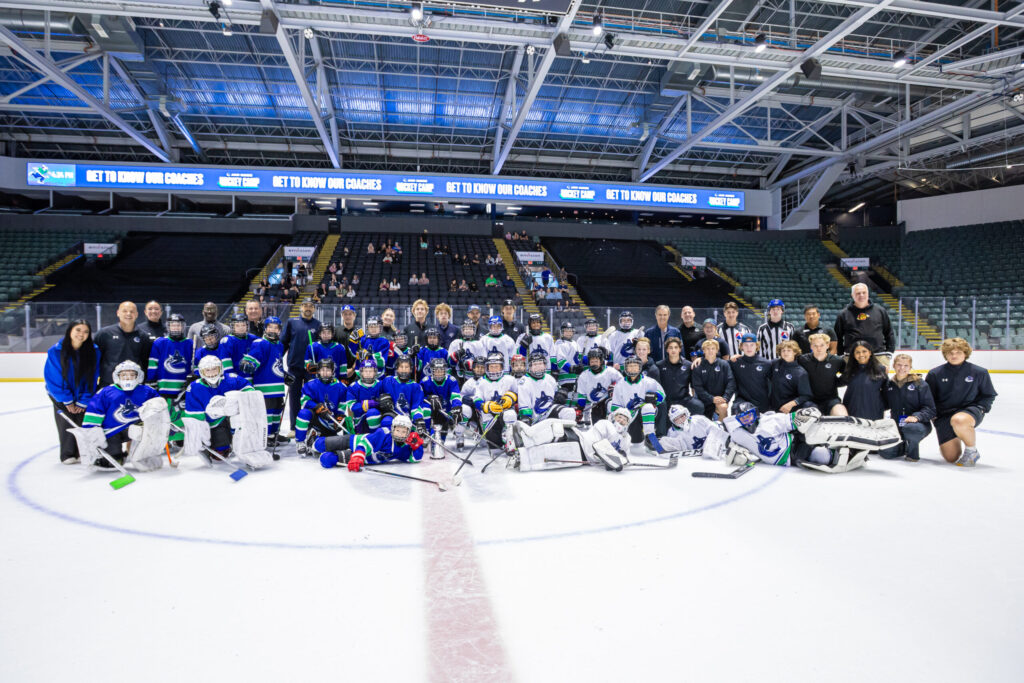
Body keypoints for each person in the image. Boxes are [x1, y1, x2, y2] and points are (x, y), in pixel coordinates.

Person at [718, 403, 897, 473]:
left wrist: (804, 416)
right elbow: (726, 436)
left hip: (795, 447)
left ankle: (852, 448)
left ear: (756, 413)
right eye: (743, 418)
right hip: (789, 460)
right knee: (823, 456)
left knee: (822, 455)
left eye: (749, 415)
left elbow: (797, 420)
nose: (747, 420)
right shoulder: (737, 433)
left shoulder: (771, 420)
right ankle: (845, 452)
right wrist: (736, 452)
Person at [182, 355, 273, 469]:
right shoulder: (194, 388)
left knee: (247, 424)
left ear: (220, 369)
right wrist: (201, 437)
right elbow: (194, 416)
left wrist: (236, 400)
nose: (211, 373)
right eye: (207, 370)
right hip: (213, 423)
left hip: (235, 419)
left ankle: (250, 447)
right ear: (201, 372)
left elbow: (249, 389)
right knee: (220, 453)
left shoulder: (231, 379)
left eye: (214, 369)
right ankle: (220, 447)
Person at [76, 360, 166, 471]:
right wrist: (92, 431)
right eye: (124, 375)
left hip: (138, 428)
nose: (128, 378)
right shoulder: (106, 392)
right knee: (112, 459)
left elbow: (158, 409)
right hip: (112, 431)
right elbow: (94, 412)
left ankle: (142, 457)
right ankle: (117, 456)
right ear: (117, 376)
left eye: (132, 375)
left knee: (142, 439)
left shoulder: (147, 391)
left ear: (138, 376)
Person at [925, 337, 998, 466]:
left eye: (958, 352)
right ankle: (957, 432)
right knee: (951, 457)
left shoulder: (979, 372)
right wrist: (935, 417)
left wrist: (981, 408)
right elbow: (929, 399)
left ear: (965, 353)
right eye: (950, 353)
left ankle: (971, 451)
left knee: (959, 420)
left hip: (969, 411)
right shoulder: (935, 374)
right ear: (945, 354)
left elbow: (989, 395)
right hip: (944, 415)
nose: (954, 355)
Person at [505, 408, 634, 473]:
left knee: (548, 453)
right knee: (554, 429)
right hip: (579, 440)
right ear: (613, 417)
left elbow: (624, 456)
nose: (621, 420)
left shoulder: (627, 438)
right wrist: (616, 457)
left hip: (584, 457)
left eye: (625, 419)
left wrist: (621, 458)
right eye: (619, 417)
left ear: (628, 423)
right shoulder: (605, 423)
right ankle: (524, 438)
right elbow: (606, 444)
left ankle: (521, 457)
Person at [44, 319, 100, 463]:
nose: (81, 334)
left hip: (83, 396)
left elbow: (92, 377)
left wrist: (84, 400)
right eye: (78, 330)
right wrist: (66, 399)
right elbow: (53, 378)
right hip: (61, 396)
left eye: (86, 331)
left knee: (83, 422)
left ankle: (83, 452)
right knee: (66, 424)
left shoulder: (94, 351)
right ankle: (67, 454)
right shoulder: (56, 351)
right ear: (70, 331)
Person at [239, 317, 289, 447]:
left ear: (279, 330)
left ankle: (274, 434)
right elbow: (255, 357)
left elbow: (276, 363)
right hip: (264, 387)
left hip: (277, 386)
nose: (272, 329)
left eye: (276, 327)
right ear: (265, 328)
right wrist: (248, 363)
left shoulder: (279, 345)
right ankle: (264, 436)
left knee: (277, 411)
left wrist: (284, 375)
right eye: (270, 327)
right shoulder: (260, 342)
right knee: (268, 412)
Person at [314, 414, 425, 472]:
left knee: (326, 460)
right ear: (392, 428)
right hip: (354, 442)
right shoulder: (383, 433)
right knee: (319, 444)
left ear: (409, 432)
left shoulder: (404, 447)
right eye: (397, 430)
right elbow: (364, 444)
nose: (400, 434)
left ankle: (329, 454)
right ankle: (310, 445)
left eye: (403, 431)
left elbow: (415, 459)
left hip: (362, 459)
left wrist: (417, 446)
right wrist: (358, 457)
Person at [146, 313, 193, 447]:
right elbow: (153, 362)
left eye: (178, 325)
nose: (176, 327)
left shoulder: (189, 343)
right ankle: (164, 438)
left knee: (180, 413)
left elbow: (193, 365)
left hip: (182, 388)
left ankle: (179, 437)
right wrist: (152, 381)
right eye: (173, 324)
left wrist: (192, 381)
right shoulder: (160, 342)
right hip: (164, 386)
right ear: (168, 326)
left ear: (183, 326)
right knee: (165, 414)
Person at [881, 354, 936, 462]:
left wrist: (916, 417)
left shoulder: (920, 384)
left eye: (906, 366)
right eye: (899, 365)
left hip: (918, 425)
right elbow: (884, 404)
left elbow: (930, 409)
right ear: (894, 366)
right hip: (897, 425)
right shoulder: (889, 384)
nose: (902, 368)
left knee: (911, 429)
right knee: (886, 452)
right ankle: (902, 445)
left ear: (910, 367)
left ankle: (913, 453)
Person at [282, 299, 321, 435]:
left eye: (311, 306)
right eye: (305, 305)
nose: (308, 308)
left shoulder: (318, 325)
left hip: (312, 369)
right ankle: (294, 427)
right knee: (294, 398)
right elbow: (284, 343)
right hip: (294, 367)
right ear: (301, 307)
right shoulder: (292, 323)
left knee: (311, 398)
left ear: (314, 309)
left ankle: (311, 426)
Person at [294, 359, 349, 457]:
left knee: (345, 423)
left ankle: (316, 436)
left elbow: (342, 405)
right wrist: (316, 406)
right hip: (317, 418)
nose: (325, 373)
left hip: (331, 421)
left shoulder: (341, 387)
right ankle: (300, 442)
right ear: (318, 371)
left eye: (328, 370)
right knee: (303, 413)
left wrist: (340, 416)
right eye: (322, 370)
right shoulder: (311, 384)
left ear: (332, 371)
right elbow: (304, 401)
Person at [609, 355, 665, 448]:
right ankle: (616, 441)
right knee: (636, 441)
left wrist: (654, 399)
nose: (633, 368)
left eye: (635, 366)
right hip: (629, 417)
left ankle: (650, 437)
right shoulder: (620, 384)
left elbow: (662, 396)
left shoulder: (649, 382)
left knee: (648, 407)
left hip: (646, 414)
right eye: (630, 366)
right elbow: (615, 407)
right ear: (626, 368)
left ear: (640, 367)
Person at [834, 283, 894, 364]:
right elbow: (838, 336)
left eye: (864, 292)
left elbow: (889, 332)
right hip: (852, 356)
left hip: (878, 355)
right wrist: (840, 354)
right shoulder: (844, 314)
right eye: (858, 293)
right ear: (852, 295)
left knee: (880, 377)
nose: (861, 295)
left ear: (868, 293)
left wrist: (889, 351)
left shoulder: (880, 311)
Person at [655, 337, 703, 435]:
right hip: (667, 401)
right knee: (666, 431)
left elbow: (693, 386)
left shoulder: (689, 365)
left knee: (698, 406)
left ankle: (694, 432)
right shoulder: (659, 365)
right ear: (667, 350)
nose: (673, 350)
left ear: (680, 349)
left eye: (676, 347)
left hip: (683, 399)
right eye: (671, 347)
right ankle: (661, 435)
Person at [94, 301, 149, 387]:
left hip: (134, 386)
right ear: (118, 313)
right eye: (125, 311)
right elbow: (95, 358)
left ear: (137, 314)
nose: (128, 314)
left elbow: (145, 362)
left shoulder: (144, 337)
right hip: (108, 385)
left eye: (132, 311)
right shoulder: (104, 334)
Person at [518, 351, 576, 425]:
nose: (538, 366)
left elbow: (557, 396)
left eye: (540, 363)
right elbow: (524, 406)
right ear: (529, 367)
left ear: (545, 365)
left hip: (549, 415)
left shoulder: (549, 378)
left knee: (569, 412)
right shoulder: (524, 382)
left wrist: (561, 394)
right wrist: (527, 418)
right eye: (535, 364)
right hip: (534, 420)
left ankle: (564, 436)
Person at [420, 357, 465, 449]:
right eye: (436, 370)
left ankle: (458, 434)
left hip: (447, 410)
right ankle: (426, 433)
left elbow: (455, 395)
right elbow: (419, 398)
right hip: (434, 410)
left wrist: (456, 407)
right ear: (431, 371)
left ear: (445, 371)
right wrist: (429, 397)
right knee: (425, 409)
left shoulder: (451, 380)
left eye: (441, 370)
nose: (439, 373)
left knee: (461, 412)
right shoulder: (425, 381)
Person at [798, 333, 847, 416]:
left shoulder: (838, 361)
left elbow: (841, 375)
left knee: (842, 415)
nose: (819, 348)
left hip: (831, 399)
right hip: (809, 400)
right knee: (811, 420)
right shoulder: (802, 360)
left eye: (822, 345)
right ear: (811, 346)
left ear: (827, 345)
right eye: (815, 345)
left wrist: (835, 379)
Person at [839, 340, 889, 420]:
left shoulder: (881, 369)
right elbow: (836, 383)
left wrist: (882, 407)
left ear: (870, 352)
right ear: (854, 355)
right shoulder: (849, 370)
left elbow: (886, 392)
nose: (861, 354)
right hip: (852, 411)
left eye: (864, 351)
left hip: (874, 412)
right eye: (857, 352)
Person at [691, 339, 735, 422]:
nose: (710, 351)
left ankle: (722, 430)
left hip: (720, 399)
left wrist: (725, 398)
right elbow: (698, 387)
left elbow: (731, 382)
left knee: (723, 407)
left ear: (717, 350)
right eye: (707, 349)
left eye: (713, 348)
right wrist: (711, 398)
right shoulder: (698, 366)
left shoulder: (724, 364)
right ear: (703, 350)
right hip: (704, 399)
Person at [729, 333, 773, 414]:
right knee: (736, 411)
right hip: (742, 400)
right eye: (746, 345)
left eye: (752, 345)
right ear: (741, 346)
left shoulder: (766, 363)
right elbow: (719, 364)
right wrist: (700, 359)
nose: (749, 348)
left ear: (756, 346)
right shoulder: (735, 362)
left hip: (761, 402)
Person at [770, 340, 813, 413]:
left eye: (789, 350)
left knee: (810, 405)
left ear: (795, 352)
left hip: (790, 408)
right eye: (783, 350)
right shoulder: (775, 364)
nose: (785, 353)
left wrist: (791, 404)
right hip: (774, 406)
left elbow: (806, 395)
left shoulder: (800, 372)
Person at [552, 322, 582, 388]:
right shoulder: (559, 344)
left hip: (575, 378)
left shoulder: (575, 343)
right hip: (564, 378)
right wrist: (572, 368)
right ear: (562, 332)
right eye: (566, 331)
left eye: (570, 331)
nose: (568, 333)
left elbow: (578, 358)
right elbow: (560, 361)